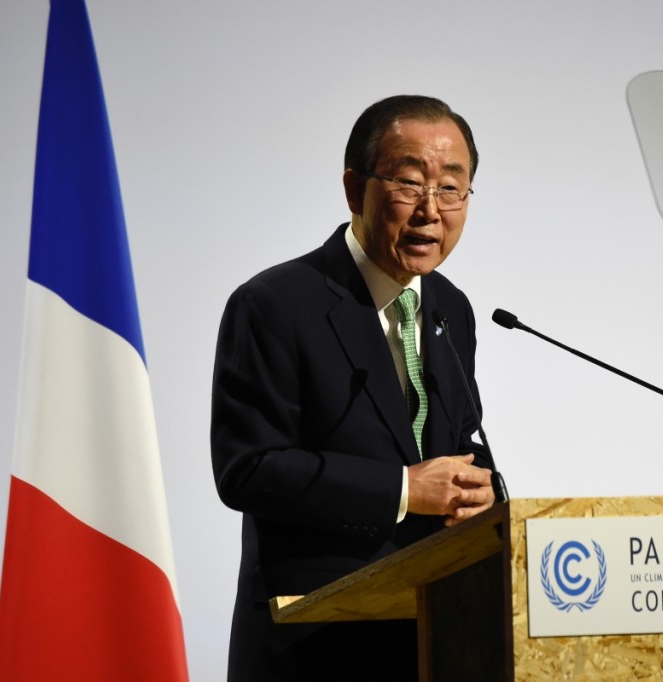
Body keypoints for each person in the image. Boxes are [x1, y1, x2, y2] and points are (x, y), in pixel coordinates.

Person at [211, 95, 496, 680]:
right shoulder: (274, 305)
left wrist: (483, 491)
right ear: (353, 189)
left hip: (432, 636)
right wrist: (401, 489)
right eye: (409, 182)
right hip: (313, 643)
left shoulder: (450, 309)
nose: (430, 210)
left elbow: (461, 437)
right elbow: (248, 468)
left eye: (451, 187)